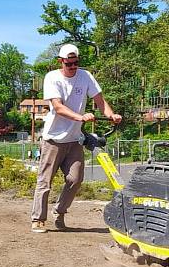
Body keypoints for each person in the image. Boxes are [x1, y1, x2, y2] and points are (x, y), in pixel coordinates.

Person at [30, 43, 122, 233]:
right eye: (68, 63)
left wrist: (112, 115)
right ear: (60, 61)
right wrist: (80, 117)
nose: (72, 67)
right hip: (53, 139)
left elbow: (100, 100)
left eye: (75, 63)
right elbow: (58, 107)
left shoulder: (85, 76)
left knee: (75, 179)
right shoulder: (52, 78)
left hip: (75, 139)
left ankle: (60, 211)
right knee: (44, 182)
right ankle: (38, 219)